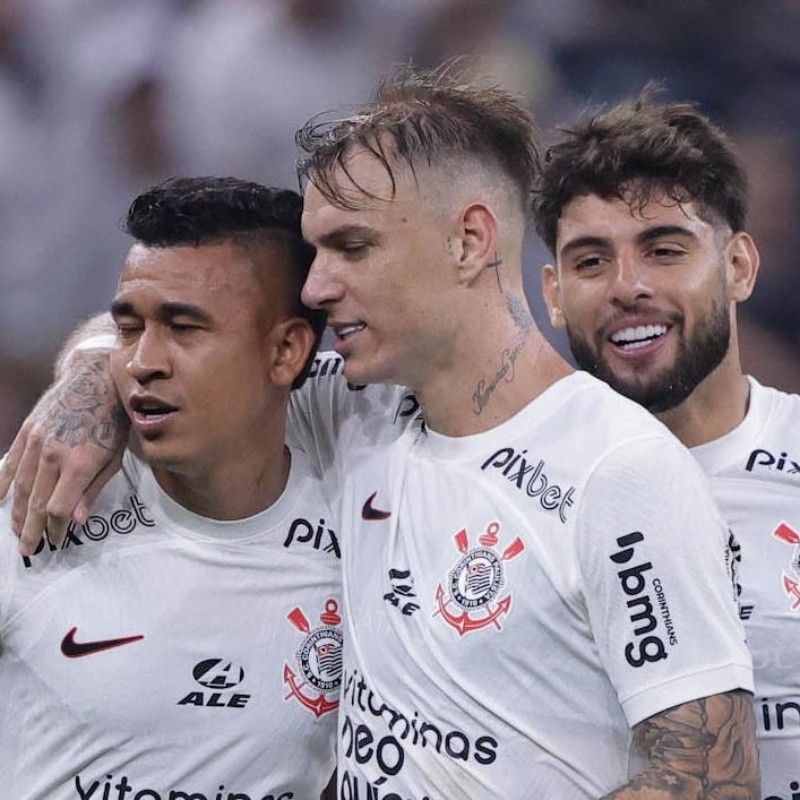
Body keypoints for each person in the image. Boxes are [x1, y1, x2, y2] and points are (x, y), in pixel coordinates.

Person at [0, 70, 759, 797]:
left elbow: (707, 782)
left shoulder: (620, 471)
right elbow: (171, 334)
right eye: (316, 249)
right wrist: (90, 376)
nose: (315, 286)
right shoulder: (353, 412)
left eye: (352, 247)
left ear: (468, 241)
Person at [0, 177, 340, 799]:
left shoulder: (365, 510)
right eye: (130, 328)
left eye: (184, 328)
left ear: (288, 349)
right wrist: (88, 365)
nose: (142, 362)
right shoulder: (35, 503)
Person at [534, 92, 800, 800]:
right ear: (554, 295)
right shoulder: (509, 486)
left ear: (739, 266)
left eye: (664, 250)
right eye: (591, 262)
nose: (629, 288)